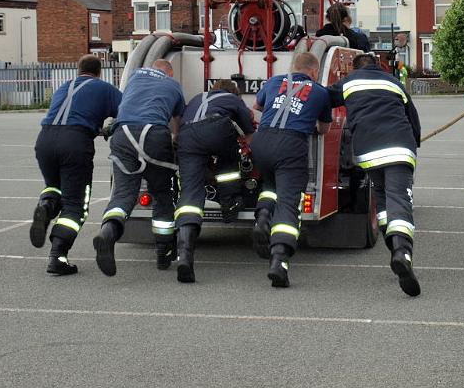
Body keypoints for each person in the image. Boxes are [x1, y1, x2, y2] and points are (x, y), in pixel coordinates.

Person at [328, 53, 422, 297]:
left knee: (381, 199)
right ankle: (402, 252)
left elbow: (323, 98)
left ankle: (392, 247)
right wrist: (414, 143)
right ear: (378, 67)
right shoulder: (394, 83)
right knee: (399, 198)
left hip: (369, 153)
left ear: (354, 68)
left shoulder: (348, 83)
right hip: (399, 147)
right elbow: (413, 119)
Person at [30, 55, 122, 275]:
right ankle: (57, 257)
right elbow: (128, 110)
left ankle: (45, 207)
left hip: (45, 140)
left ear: (78, 70)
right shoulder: (104, 89)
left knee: (53, 186)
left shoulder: (64, 86)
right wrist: (109, 128)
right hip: (75, 142)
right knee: (75, 204)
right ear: (99, 72)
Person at [93, 59, 185, 276]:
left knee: (123, 195)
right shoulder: (173, 86)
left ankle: (108, 232)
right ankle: (163, 253)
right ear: (169, 73)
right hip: (154, 134)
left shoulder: (135, 76)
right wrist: (176, 141)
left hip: (122, 133)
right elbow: (177, 120)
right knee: (162, 193)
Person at [250, 52, 332, 288]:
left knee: (269, 184)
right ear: (314, 72)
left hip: (262, 141)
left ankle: (263, 218)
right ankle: (279, 260)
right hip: (291, 145)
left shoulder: (275, 81)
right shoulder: (320, 91)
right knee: (288, 202)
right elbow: (324, 129)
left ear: (294, 67)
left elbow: (257, 105)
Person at [173, 79, 254, 283]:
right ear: (235, 93)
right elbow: (249, 136)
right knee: (229, 158)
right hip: (216, 129)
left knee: (190, 193)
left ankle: (184, 256)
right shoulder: (233, 100)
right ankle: (229, 202)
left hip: (187, 135)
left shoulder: (197, 97)